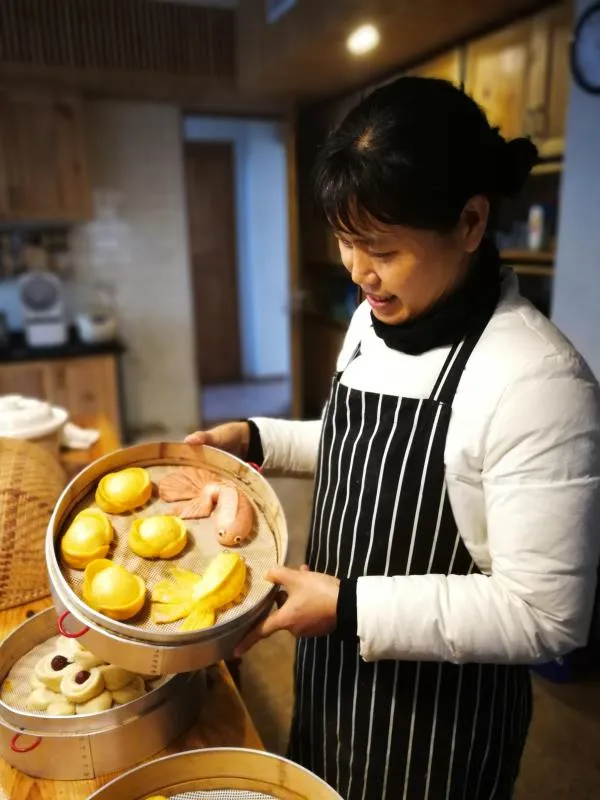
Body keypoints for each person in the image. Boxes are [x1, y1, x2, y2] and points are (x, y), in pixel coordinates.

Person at [186, 77, 600, 799]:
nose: (356, 271)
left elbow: (547, 616)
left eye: (379, 247)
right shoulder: (378, 317)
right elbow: (361, 449)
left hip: (434, 724)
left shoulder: (537, 380)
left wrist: (349, 607)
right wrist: (254, 438)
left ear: (470, 223)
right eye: (345, 241)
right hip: (331, 670)